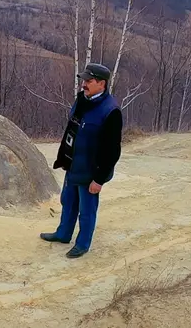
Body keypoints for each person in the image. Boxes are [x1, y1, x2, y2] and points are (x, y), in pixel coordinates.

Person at [41, 62, 123, 258]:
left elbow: (113, 150)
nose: (83, 84)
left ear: (102, 84)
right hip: (74, 165)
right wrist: (64, 159)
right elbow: (72, 131)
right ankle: (63, 234)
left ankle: (83, 244)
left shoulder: (111, 111)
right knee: (68, 202)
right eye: (83, 80)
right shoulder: (81, 101)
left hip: (91, 171)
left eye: (89, 81)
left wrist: (100, 179)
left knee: (86, 211)